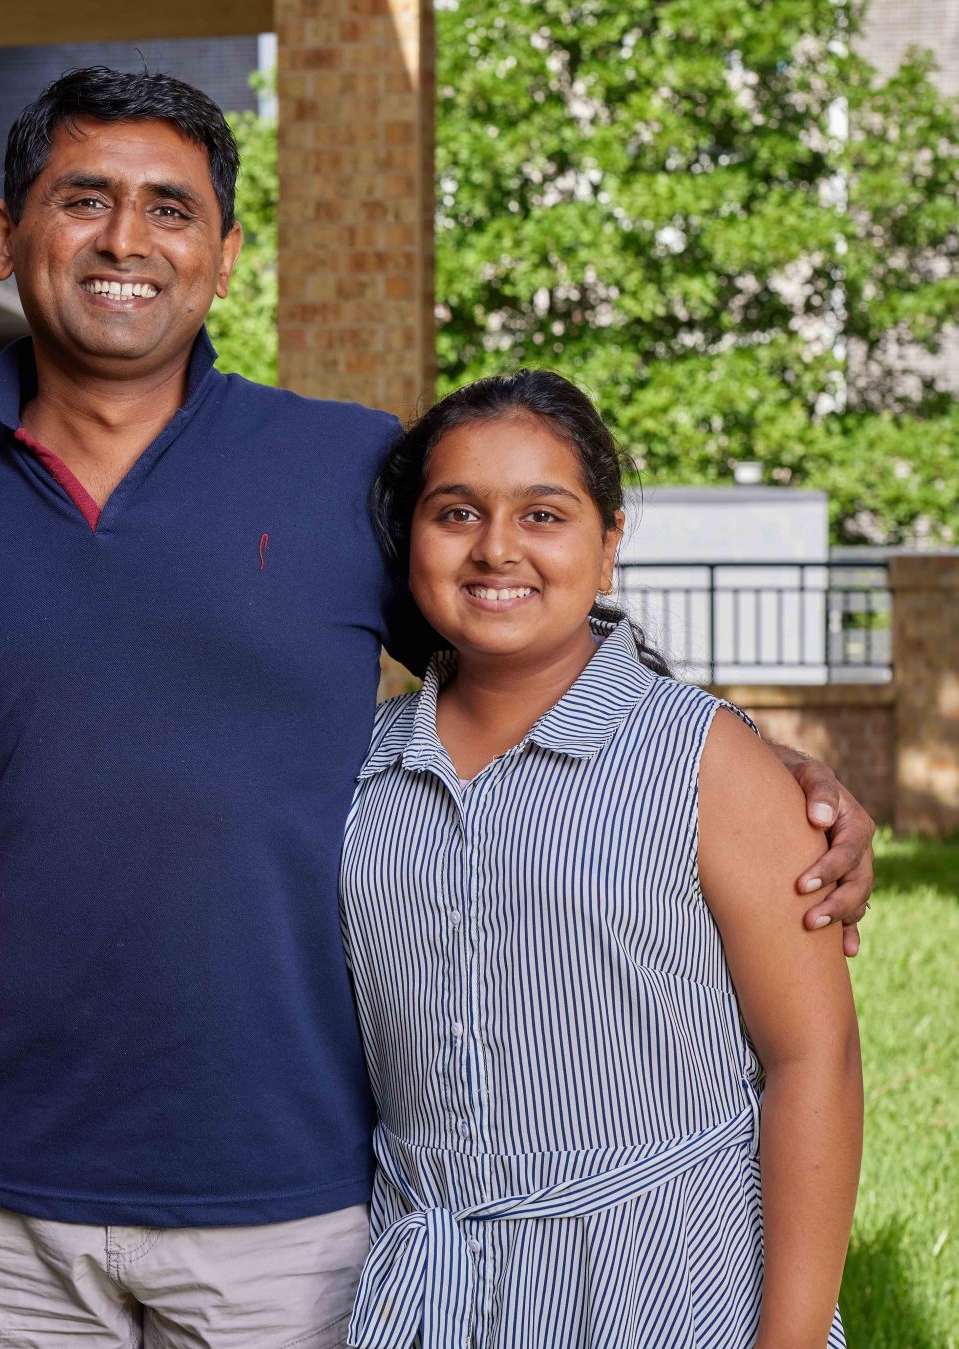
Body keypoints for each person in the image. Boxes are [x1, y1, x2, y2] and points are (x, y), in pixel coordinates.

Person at [0, 67, 874, 1349]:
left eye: (170, 208)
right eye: (83, 199)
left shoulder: (343, 467)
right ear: (1, 234)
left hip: (282, 1197)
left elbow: (523, 637)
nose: (126, 240)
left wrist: (761, 766)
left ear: (227, 252)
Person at [341, 370, 859, 1348]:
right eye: (455, 512)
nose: (496, 546)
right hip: (435, 1298)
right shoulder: (358, 771)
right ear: (409, 537)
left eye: (543, 512)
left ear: (608, 540)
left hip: (665, 1288)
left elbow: (813, 1061)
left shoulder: (708, 761)